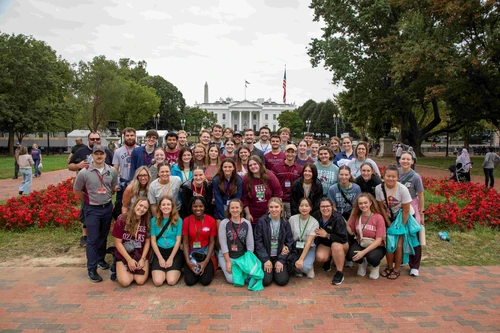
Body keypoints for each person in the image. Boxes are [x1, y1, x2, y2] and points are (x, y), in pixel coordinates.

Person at [73, 144, 118, 282]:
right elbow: (77, 190)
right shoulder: (84, 172)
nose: (99, 156)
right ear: (92, 155)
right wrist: (89, 199)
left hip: (106, 207)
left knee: (103, 236)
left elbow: (113, 187)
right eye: (96, 154)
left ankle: (100, 259)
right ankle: (91, 268)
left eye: (101, 154)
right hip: (92, 208)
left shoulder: (111, 171)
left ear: (105, 155)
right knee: (93, 239)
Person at [68, 132, 113, 248]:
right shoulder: (81, 151)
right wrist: (79, 166)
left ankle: (97, 243)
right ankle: (85, 236)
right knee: (86, 213)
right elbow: (70, 165)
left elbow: (112, 167)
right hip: (86, 188)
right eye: (92, 139)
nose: (95, 141)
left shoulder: (106, 152)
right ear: (88, 140)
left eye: (97, 138)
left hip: (103, 188)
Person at [375, 165, 414, 280]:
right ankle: (389, 266)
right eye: (388, 176)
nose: (390, 179)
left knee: (398, 245)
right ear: (383, 176)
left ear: (397, 177)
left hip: (402, 217)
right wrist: (387, 222)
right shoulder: (379, 188)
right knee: (389, 244)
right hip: (388, 217)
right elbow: (381, 207)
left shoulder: (403, 189)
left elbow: (406, 210)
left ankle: (396, 269)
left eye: (393, 176)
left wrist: (400, 225)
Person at [346, 193, 387, 280]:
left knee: (372, 257)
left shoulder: (378, 217)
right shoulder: (357, 217)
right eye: (360, 203)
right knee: (351, 255)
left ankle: (375, 266)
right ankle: (361, 264)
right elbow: (351, 231)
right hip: (361, 242)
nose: (363, 205)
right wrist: (347, 219)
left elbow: (379, 240)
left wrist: (363, 253)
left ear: (370, 203)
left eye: (365, 203)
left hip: (376, 245)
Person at [254, 198, 294, 286]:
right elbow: (258, 242)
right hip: (266, 255)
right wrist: (265, 260)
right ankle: (269, 268)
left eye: (276, 207)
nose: (274, 209)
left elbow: (289, 242)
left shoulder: (285, 222)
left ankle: (277, 267)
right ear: (268, 208)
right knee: (265, 281)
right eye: (271, 207)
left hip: (279, 255)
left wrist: (281, 260)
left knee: (282, 281)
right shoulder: (261, 222)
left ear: (281, 208)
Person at [112, 198, 151, 287]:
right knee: (126, 282)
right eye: (140, 205)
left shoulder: (147, 221)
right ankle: (119, 267)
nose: (141, 209)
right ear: (135, 205)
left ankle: (133, 268)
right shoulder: (122, 219)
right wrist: (129, 260)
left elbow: (147, 243)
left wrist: (143, 259)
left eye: (145, 207)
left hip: (140, 253)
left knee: (140, 281)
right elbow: (118, 243)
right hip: (125, 254)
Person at [399, 152, 425, 277]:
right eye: (403, 159)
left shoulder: (415, 176)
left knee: (414, 237)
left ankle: (414, 266)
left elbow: (420, 195)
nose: (405, 161)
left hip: (412, 208)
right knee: (399, 236)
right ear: (399, 160)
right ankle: (400, 260)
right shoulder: (396, 173)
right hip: (398, 208)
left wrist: (422, 212)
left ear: (412, 161)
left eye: (408, 159)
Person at [182, 196, 217, 286]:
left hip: (205, 253)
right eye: (195, 206)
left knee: (205, 281)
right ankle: (195, 269)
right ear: (191, 207)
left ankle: (204, 269)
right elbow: (185, 242)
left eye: (201, 206)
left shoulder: (211, 220)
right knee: (189, 281)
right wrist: (188, 262)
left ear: (204, 207)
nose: (198, 208)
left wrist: (205, 262)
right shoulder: (186, 221)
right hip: (191, 253)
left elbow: (212, 242)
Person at [313, 198, 349, 285]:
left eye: (327, 206)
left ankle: (339, 272)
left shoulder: (338, 218)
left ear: (332, 207)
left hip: (341, 244)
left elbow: (343, 238)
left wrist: (327, 235)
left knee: (336, 246)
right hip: (325, 244)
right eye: (323, 206)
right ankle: (328, 260)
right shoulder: (316, 216)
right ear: (319, 207)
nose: (325, 208)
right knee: (320, 257)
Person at [218, 199, 254, 284]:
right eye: (232, 208)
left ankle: (241, 272)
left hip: (242, 256)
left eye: (237, 207)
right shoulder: (224, 223)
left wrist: (247, 261)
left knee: (251, 273)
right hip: (227, 256)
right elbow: (223, 244)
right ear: (229, 210)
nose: (235, 210)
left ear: (241, 209)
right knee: (232, 279)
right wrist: (228, 262)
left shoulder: (246, 223)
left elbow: (250, 245)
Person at [150, 196, 184, 286]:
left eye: (168, 204)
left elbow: (178, 241)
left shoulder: (178, 220)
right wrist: (160, 258)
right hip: (159, 251)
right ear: (160, 207)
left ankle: (177, 269)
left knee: (171, 281)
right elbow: (153, 241)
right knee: (158, 282)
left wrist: (171, 258)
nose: (166, 207)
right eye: (163, 205)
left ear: (172, 207)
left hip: (173, 252)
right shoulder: (153, 220)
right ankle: (162, 270)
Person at [242, 156, 283, 225]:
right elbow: (244, 198)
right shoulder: (246, 179)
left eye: (255, 164)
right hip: (253, 216)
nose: (253, 166)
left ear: (260, 164)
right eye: (250, 165)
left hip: (269, 214)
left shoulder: (270, 176)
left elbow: (278, 195)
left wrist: (275, 212)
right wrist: (248, 214)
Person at [289, 198, 319, 278]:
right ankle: (298, 268)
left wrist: (301, 259)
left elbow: (309, 242)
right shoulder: (292, 219)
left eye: (307, 206)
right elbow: (288, 236)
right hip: (295, 247)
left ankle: (309, 266)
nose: (304, 208)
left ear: (311, 208)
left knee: (304, 267)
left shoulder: (314, 222)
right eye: (301, 205)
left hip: (308, 247)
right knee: (291, 265)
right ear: (298, 207)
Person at [271, 144, 303, 218]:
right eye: (288, 152)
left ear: (296, 153)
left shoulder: (300, 169)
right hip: (279, 199)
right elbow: (272, 184)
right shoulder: (276, 167)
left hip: (292, 200)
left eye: (292, 152)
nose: (290, 154)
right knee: (278, 220)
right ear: (285, 153)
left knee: (291, 221)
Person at [112, 128, 137, 219]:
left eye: (131, 135)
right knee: (121, 205)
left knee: (136, 205)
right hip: (123, 183)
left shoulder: (140, 150)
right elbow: (115, 169)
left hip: (136, 182)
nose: (129, 138)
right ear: (124, 137)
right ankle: (121, 224)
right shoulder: (118, 151)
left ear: (135, 136)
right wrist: (115, 184)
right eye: (127, 136)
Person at [213, 159, 243, 225]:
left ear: (233, 168)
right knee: (222, 225)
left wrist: (233, 212)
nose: (227, 169)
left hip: (234, 207)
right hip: (221, 206)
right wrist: (223, 217)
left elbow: (238, 197)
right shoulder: (216, 180)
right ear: (222, 168)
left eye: (230, 167)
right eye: (225, 167)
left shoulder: (238, 180)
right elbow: (218, 198)